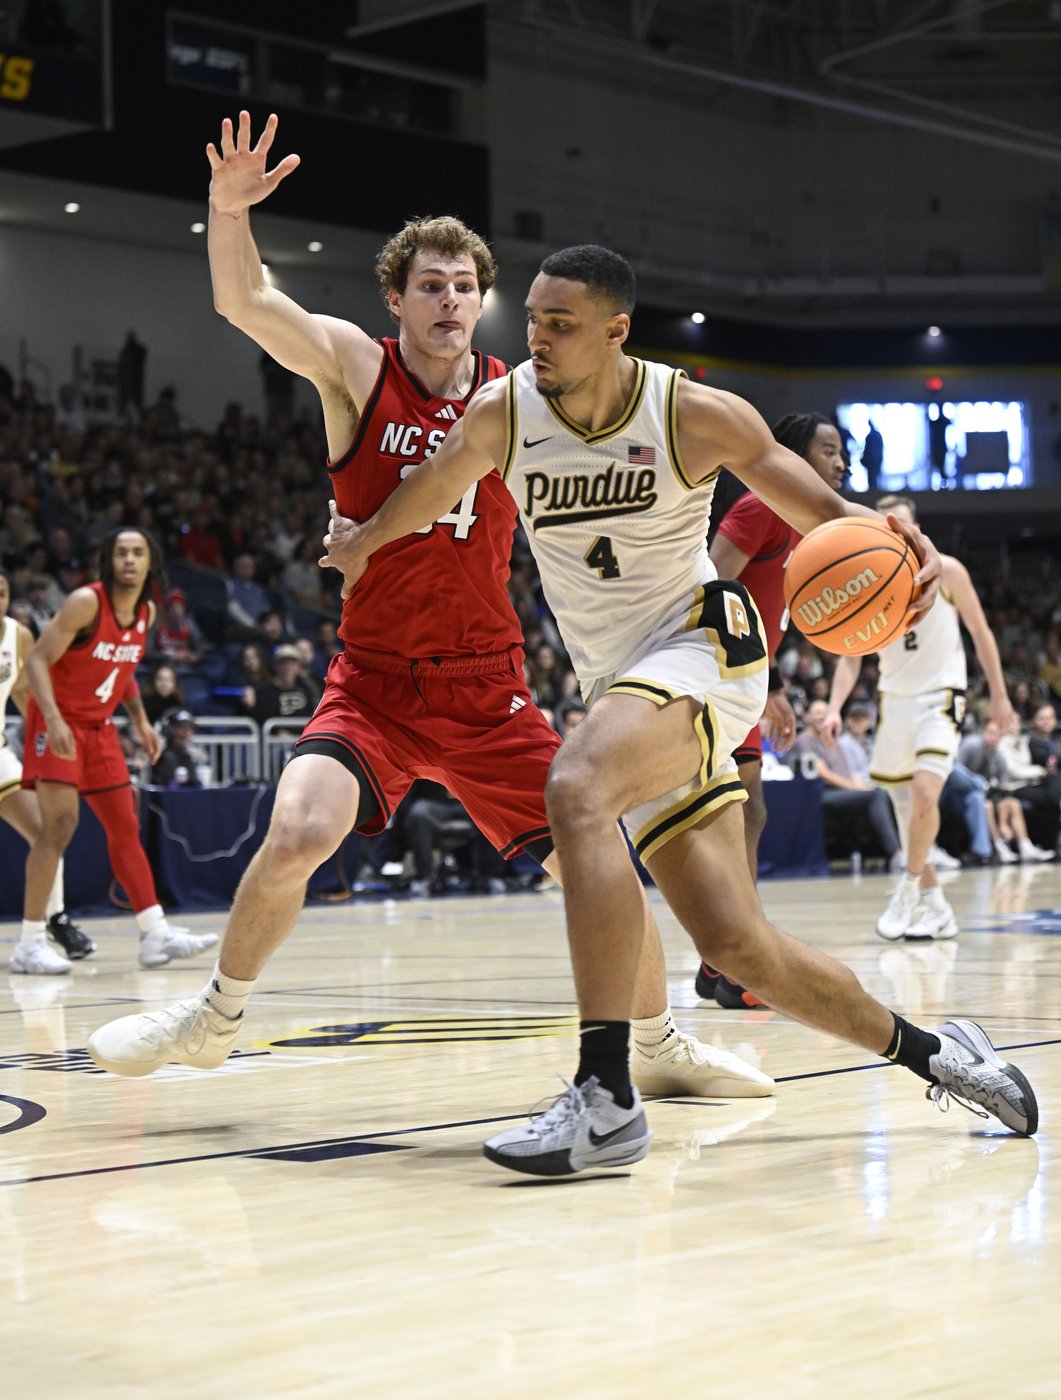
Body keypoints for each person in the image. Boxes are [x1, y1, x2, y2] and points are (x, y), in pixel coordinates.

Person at [311, 242, 1036, 1175]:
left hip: (705, 648)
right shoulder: (505, 412)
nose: (534, 337)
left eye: (559, 324)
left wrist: (882, 532)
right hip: (624, 684)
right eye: (531, 318)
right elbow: (431, 490)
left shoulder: (687, 411)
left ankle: (605, 1095)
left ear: (616, 330)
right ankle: (946, 1056)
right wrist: (364, 541)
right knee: (740, 949)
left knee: (572, 787)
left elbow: (812, 505)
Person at [86, 115, 769, 1104]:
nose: (450, 300)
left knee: (602, 859)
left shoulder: (525, 397)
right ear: (395, 298)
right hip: (371, 683)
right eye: (430, 285)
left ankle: (656, 1039)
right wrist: (225, 210)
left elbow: (641, 461)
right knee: (295, 832)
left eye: (465, 286)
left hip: (487, 686)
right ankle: (212, 1017)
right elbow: (246, 300)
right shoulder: (357, 370)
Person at [13, 527, 219, 975]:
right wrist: (50, 718)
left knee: (125, 823)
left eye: (137, 553)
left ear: (150, 563)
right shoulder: (86, 602)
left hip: (100, 729)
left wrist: (141, 720)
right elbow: (36, 661)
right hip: (59, 724)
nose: (129, 560)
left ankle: (154, 933)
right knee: (59, 826)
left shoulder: (145, 612)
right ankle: (28, 942)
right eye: (121, 553)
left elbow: (121, 669)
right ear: (109, 562)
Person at [694, 411, 847, 1010]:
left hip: (746, 680)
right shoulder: (761, 508)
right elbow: (712, 588)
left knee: (748, 814)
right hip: (710, 673)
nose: (839, 463)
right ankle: (733, 960)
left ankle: (721, 963)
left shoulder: (809, 527)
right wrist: (774, 680)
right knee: (734, 815)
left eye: (841, 453)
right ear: (792, 454)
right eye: (828, 450)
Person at [826, 494, 1015, 942]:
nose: (898, 532)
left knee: (927, 794)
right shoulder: (868, 581)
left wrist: (1001, 696)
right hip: (895, 700)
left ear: (917, 527)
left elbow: (981, 632)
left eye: (904, 524)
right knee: (907, 808)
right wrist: (834, 707)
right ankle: (936, 905)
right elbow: (852, 656)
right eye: (888, 525)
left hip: (941, 696)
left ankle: (907, 890)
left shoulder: (947, 570)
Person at [0, 568, 95, 962]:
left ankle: (51, 922)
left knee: (47, 833)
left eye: (2, 591)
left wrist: (49, 736)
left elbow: (24, 692)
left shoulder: (16, 636)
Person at [791, 699, 903, 871]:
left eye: (825, 713)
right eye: (817, 712)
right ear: (808, 717)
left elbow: (850, 773)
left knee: (888, 793)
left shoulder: (833, 741)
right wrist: (856, 788)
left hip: (847, 791)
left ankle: (897, 853)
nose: (821, 716)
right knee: (877, 796)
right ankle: (896, 854)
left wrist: (865, 787)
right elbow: (825, 775)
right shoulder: (804, 741)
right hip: (825, 794)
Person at [957, 720, 1053, 864]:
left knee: (1012, 803)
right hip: (964, 792)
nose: (993, 738)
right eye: (990, 733)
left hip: (989, 794)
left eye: (997, 735)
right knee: (986, 805)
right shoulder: (972, 745)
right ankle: (998, 846)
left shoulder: (999, 757)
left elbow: (1002, 788)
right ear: (983, 733)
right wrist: (979, 784)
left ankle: (1025, 845)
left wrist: (1003, 822)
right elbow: (955, 770)